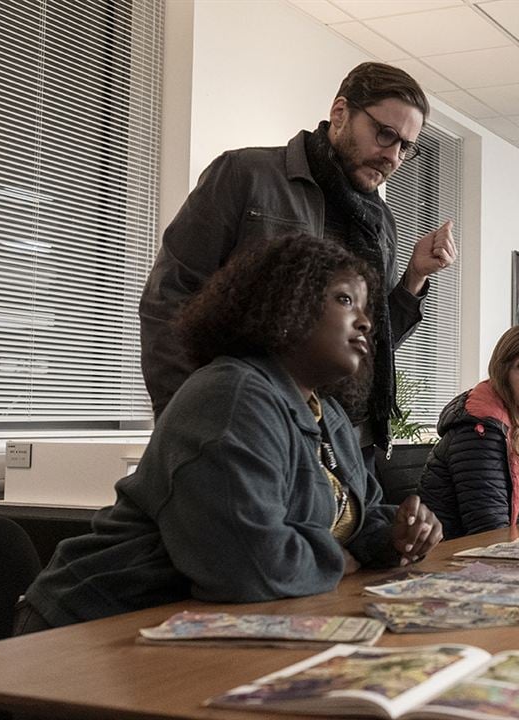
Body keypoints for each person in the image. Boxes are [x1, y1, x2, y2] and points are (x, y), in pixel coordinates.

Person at [15, 235, 442, 633]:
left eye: (366, 308)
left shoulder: (327, 415)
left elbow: (354, 521)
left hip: (206, 624)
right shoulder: (231, 396)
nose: (366, 322)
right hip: (96, 626)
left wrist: (397, 534)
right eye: (345, 300)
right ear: (286, 303)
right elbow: (248, 567)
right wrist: (337, 559)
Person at [139, 61, 457, 470]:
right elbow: (169, 299)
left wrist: (415, 277)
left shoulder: (381, 223)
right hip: (249, 428)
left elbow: (367, 343)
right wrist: (187, 421)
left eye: (404, 147)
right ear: (340, 113)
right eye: (384, 134)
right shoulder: (245, 175)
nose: (392, 156)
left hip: (346, 443)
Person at [417, 323, 519, 538]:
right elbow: (490, 531)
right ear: (503, 374)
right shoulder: (480, 431)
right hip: (453, 561)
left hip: (511, 555)